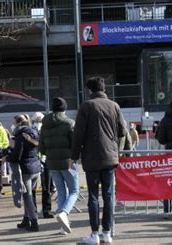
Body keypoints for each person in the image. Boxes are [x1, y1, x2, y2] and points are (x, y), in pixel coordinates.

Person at [71, 77, 126, 244]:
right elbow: (122, 131)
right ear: (104, 89)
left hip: (92, 158)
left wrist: (74, 157)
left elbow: (78, 134)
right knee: (108, 195)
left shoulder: (86, 106)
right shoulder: (114, 105)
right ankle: (107, 233)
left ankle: (94, 234)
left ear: (90, 90)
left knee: (93, 196)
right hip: (110, 157)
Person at [39, 97, 79, 235]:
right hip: (68, 162)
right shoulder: (69, 123)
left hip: (51, 162)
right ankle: (64, 213)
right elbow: (74, 145)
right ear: (65, 108)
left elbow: (41, 147)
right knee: (74, 191)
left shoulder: (45, 124)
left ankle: (63, 225)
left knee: (61, 191)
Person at [8, 114, 42, 232]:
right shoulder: (34, 132)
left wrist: (7, 157)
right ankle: (26, 219)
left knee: (27, 197)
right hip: (36, 168)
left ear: (18, 123)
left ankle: (34, 222)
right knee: (30, 195)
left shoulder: (20, 135)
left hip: (26, 169)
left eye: (14, 123)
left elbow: (18, 155)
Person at [31, 112, 54, 219]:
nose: (38, 123)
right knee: (33, 188)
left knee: (46, 187)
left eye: (40, 121)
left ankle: (46, 210)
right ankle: (34, 210)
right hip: (36, 161)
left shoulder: (48, 131)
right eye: (37, 121)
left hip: (45, 161)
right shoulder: (31, 132)